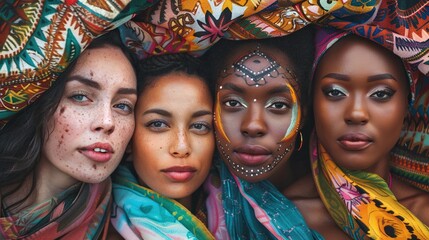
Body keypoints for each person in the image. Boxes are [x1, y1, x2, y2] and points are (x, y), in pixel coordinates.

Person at [285, 28, 429, 239]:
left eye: (380, 94)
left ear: (407, 104)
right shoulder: (278, 217)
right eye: (335, 92)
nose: (356, 113)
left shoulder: (424, 212)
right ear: (311, 100)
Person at [0, 30, 138, 239]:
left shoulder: (136, 230)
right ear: (39, 102)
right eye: (81, 96)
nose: (107, 122)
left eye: (123, 106)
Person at [203, 25, 323, 239]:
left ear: (303, 115)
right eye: (232, 102)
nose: (253, 125)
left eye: (277, 105)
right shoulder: (191, 209)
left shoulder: (341, 215)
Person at [110, 53, 215, 239]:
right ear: (128, 138)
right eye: (158, 124)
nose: (182, 147)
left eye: (199, 126)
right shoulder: (98, 230)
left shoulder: (245, 218)